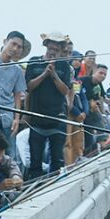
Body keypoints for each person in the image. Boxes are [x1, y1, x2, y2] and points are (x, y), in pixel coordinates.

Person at [23, 32, 73, 178]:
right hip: (36, 118)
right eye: (51, 46)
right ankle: (35, 186)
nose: (53, 49)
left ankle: (54, 183)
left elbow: (65, 90)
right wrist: (45, 73)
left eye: (57, 47)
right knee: (35, 160)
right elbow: (29, 87)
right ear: (46, 45)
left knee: (57, 160)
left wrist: (54, 75)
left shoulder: (64, 65)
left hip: (58, 118)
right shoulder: (33, 62)